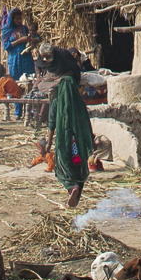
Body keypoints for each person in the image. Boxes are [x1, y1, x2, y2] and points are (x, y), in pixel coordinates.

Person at [44, 46, 95, 207]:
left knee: (62, 168)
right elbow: (87, 123)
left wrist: (48, 143)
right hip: (79, 141)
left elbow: (51, 125)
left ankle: (70, 186)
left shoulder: (56, 102)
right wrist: (90, 140)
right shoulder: (80, 104)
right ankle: (77, 190)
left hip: (65, 141)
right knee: (80, 168)